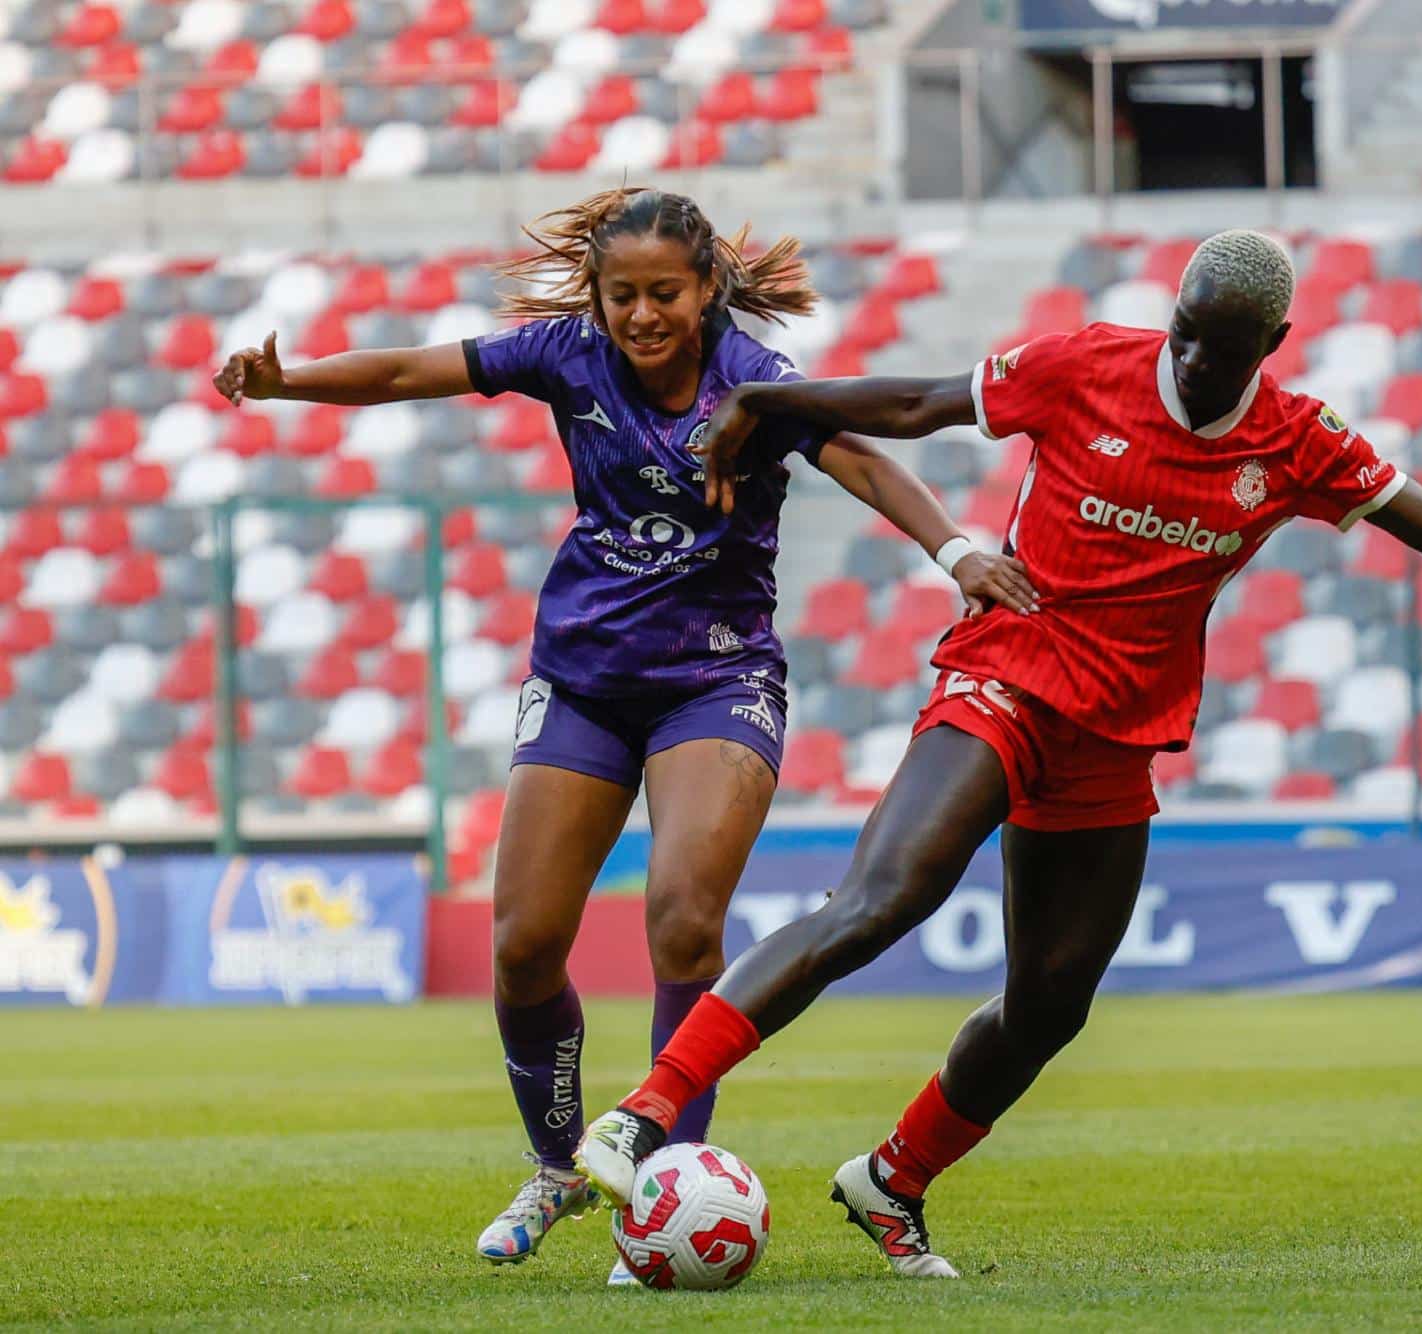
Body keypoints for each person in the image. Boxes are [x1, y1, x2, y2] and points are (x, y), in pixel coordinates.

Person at [574, 229, 1422, 1277]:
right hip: (1006, 675)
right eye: (1184, 335)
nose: (1194, 363)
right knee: (879, 899)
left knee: (1049, 1003)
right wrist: (772, 401)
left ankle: (891, 1181)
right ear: (1169, 313)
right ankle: (644, 1112)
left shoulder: (1300, 439)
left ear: (1269, 346)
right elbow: (925, 400)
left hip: (1116, 734)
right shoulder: (1086, 363)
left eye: (1223, 352)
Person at [211, 188, 1034, 1276]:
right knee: (522, 945)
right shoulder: (565, 355)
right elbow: (414, 369)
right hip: (583, 681)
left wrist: (958, 551)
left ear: (706, 291)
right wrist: (290, 382)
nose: (641, 314)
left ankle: (657, 1183)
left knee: (685, 920)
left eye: (664, 293)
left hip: (717, 679)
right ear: (595, 299)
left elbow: (867, 462)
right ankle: (557, 1164)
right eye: (622, 295)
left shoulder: (760, 380)